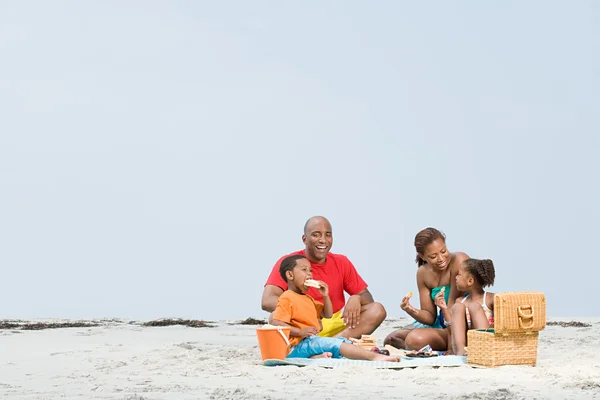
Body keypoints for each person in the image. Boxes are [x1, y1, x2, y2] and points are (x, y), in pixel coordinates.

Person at [261, 216, 386, 339]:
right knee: (274, 317)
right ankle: (324, 344)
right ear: (305, 239)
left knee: (377, 309)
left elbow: (368, 298)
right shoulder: (290, 262)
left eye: (328, 235)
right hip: (303, 324)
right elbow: (267, 301)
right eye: (316, 235)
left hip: (336, 321)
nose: (323, 240)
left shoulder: (341, 262)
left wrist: (356, 298)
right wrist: (308, 312)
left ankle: (334, 343)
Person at [272, 254, 399, 362]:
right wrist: (301, 332)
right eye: (304, 270)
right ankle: (374, 357)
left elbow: (327, 314)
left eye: (310, 270)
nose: (309, 274)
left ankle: (316, 357)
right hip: (295, 346)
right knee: (335, 344)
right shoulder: (286, 297)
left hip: (309, 342)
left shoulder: (308, 298)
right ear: (290, 275)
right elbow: (277, 323)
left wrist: (325, 296)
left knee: (342, 343)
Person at [384, 227, 469, 351]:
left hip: (458, 325)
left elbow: (451, 309)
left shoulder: (459, 260)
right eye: (433, 256)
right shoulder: (423, 273)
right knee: (390, 340)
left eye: (443, 251)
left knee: (414, 339)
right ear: (423, 256)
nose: (441, 258)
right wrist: (410, 309)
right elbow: (429, 317)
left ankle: (415, 346)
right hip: (440, 324)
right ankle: (415, 346)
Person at [445, 258, 496, 356]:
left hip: (486, 342)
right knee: (457, 307)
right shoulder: (460, 301)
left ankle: (482, 349)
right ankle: (460, 350)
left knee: (474, 307)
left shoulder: (490, 299)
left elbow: (500, 325)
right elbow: (453, 329)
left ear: (470, 281)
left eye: (459, 274)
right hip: (467, 345)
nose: (456, 278)